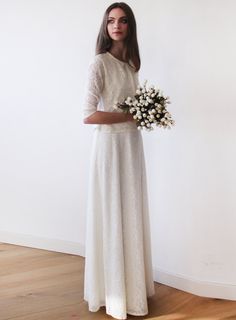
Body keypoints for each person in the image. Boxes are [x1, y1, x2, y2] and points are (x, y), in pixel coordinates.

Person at [83, 2, 155, 319]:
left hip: (131, 146)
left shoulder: (131, 66)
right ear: (105, 26)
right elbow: (88, 115)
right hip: (110, 148)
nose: (117, 25)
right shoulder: (99, 63)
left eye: (123, 20)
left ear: (130, 27)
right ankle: (111, 293)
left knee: (131, 211)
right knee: (111, 212)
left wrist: (148, 115)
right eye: (111, 20)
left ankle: (132, 289)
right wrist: (129, 115)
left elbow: (134, 112)